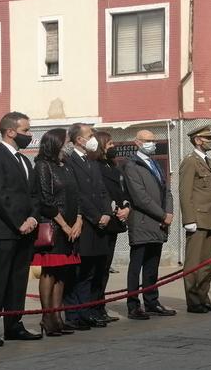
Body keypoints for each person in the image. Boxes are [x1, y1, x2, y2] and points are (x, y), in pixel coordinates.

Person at [0, 112, 41, 346]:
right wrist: (18, 222)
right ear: (10, 131)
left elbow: (34, 194)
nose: (29, 135)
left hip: (27, 230)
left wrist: (33, 218)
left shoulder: (25, 160)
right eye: (25, 130)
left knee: (18, 280)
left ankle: (14, 324)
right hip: (3, 231)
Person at [62, 123, 113, 329]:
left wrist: (107, 213)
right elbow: (77, 194)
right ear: (79, 140)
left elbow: (102, 190)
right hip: (83, 223)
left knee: (92, 272)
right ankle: (73, 315)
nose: (93, 139)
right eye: (90, 135)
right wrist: (94, 215)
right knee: (78, 272)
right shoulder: (69, 161)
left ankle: (86, 312)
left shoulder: (92, 161)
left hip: (99, 225)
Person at [121, 129, 176, 320]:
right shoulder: (131, 165)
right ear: (137, 143)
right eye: (147, 141)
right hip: (143, 222)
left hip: (159, 224)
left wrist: (168, 212)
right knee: (137, 265)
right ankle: (133, 304)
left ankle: (152, 301)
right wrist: (162, 215)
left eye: (153, 141)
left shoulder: (154, 163)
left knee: (152, 265)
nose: (152, 144)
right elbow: (140, 198)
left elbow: (166, 190)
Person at [32, 129, 82, 336]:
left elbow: (77, 195)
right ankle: (47, 317)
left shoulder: (66, 166)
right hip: (55, 226)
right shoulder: (43, 166)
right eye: (66, 142)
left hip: (72, 226)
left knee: (63, 274)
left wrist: (79, 220)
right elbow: (45, 200)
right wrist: (64, 225)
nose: (68, 145)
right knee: (50, 272)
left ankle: (58, 316)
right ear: (55, 143)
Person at [179, 125, 211, 313]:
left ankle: (204, 297)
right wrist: (189, 219)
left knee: (207, 263)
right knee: (194, 263)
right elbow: (184, 192)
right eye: (207, 138)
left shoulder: (209, 162)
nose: (210, 140)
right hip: (196, 218)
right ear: (197, 140)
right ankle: (193, 300)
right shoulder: (190, 162)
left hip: (210, 218)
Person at [92, 130, 129, 324]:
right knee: (96, 268)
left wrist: (126, 208)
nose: (113, 147)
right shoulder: (95, 166)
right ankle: (92, 307)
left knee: (105, 268)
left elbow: (120, 191)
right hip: (101, 222)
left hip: (115, 222)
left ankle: (100, 306)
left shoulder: (113, 166)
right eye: (110, 144)